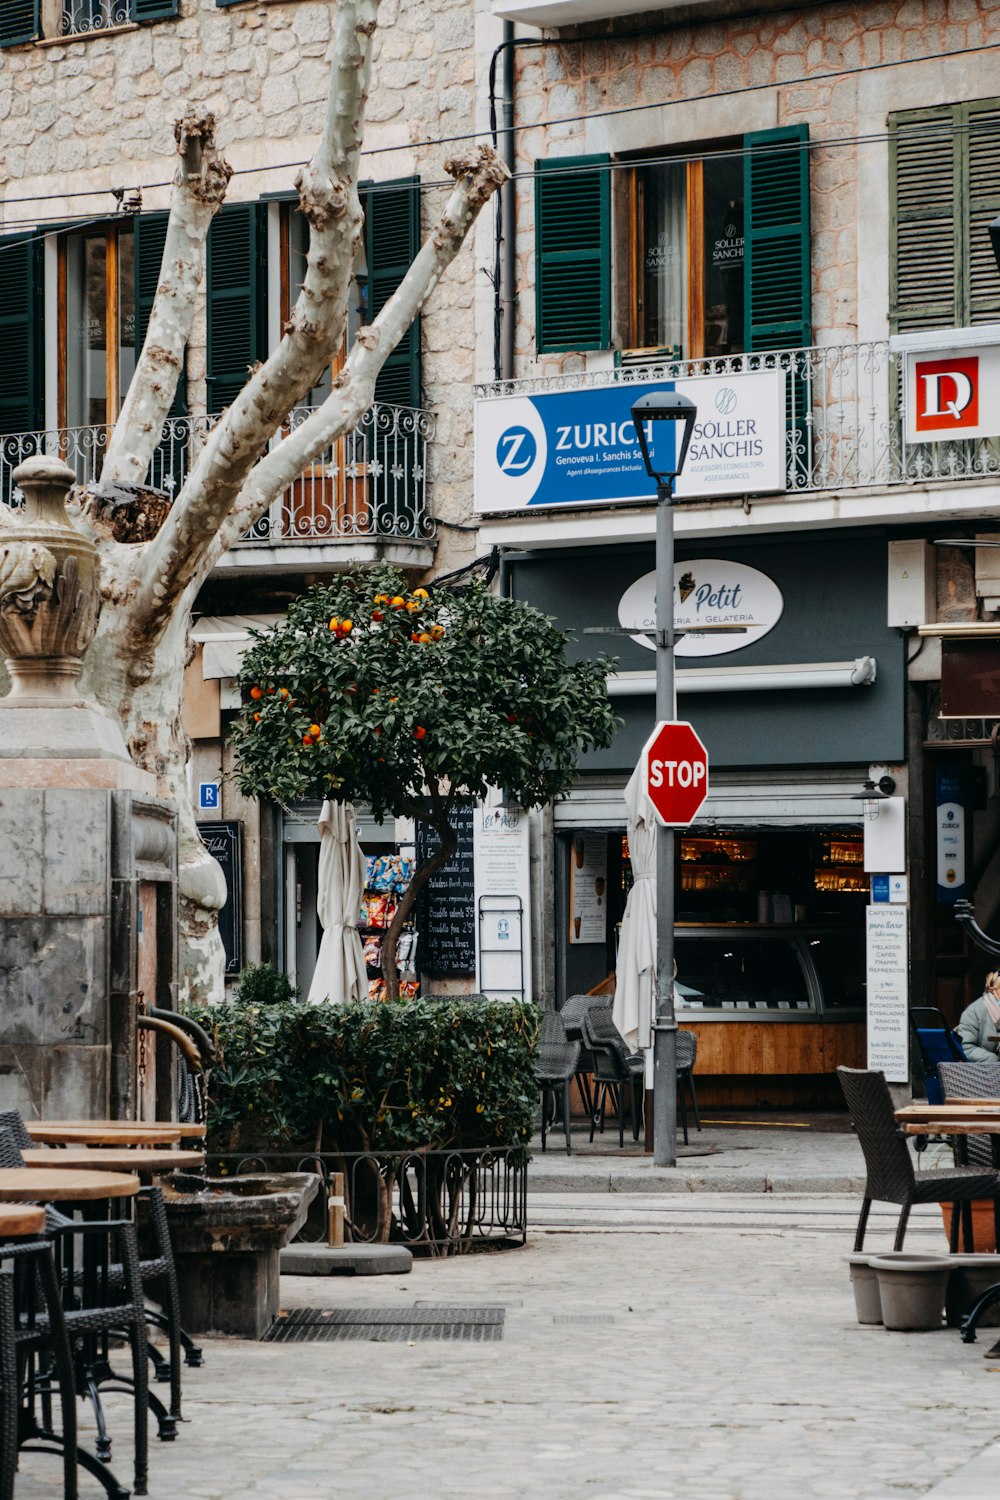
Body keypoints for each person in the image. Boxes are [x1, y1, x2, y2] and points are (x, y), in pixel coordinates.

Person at [955, 973, 1000, 1065]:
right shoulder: (974, 1012)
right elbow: (966, 1048)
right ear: (992, 990)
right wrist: (996, 1061)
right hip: (985, 1072)